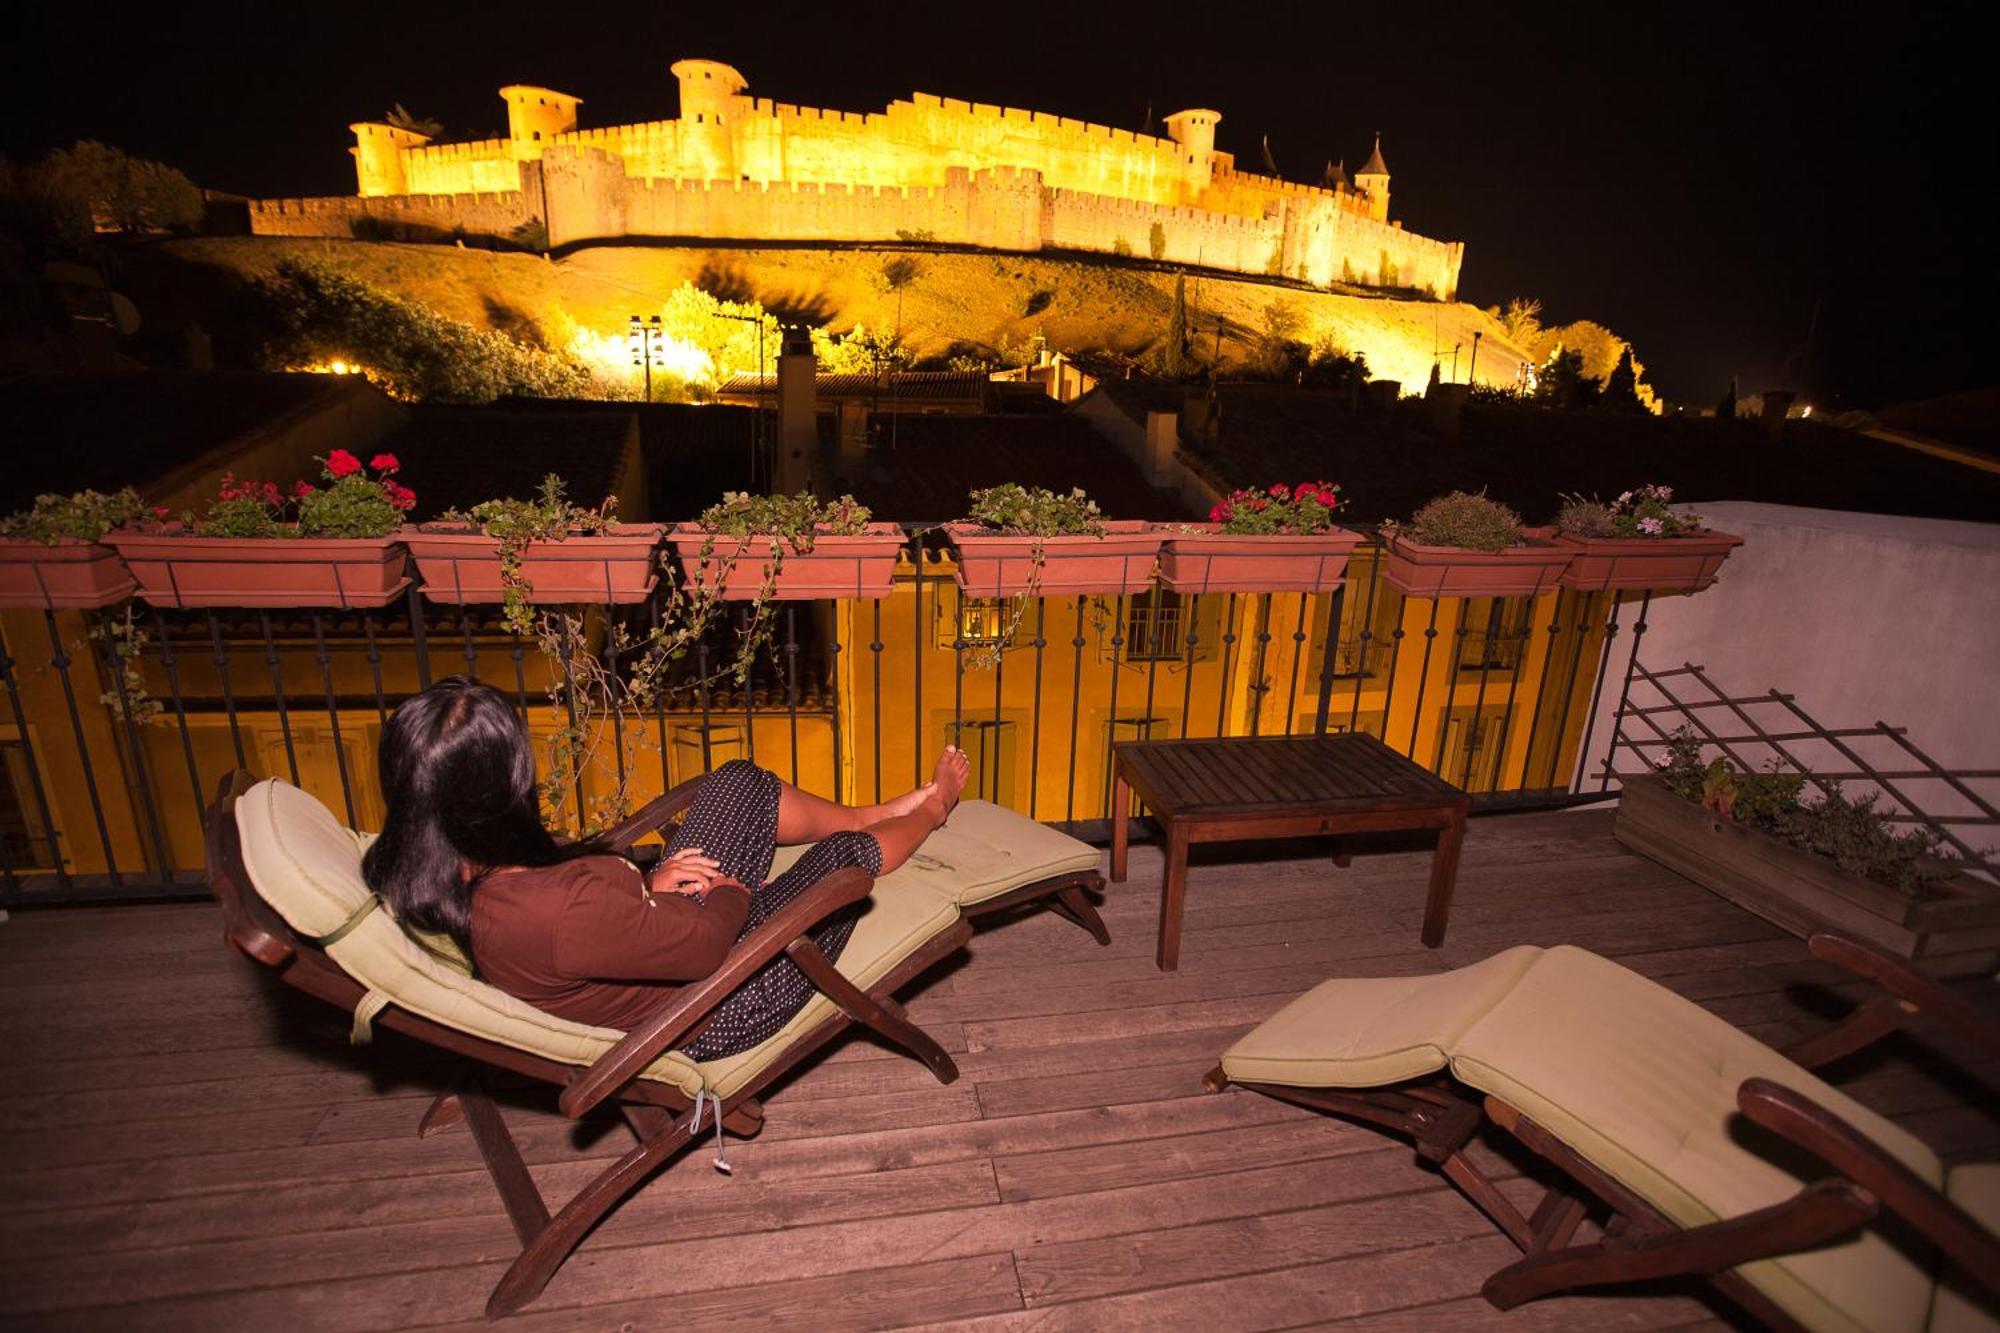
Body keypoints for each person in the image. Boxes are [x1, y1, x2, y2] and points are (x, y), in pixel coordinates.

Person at [362, 676, 969, 1060]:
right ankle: (934, 809)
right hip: (714, 1002)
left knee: (738, 783)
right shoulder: (550, 909)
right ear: (502, 786)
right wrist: (729, 893)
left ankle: (868, 813)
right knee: (839, 867)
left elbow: (589, 930)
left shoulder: (436, 867)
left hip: (648, 932)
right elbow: (704, 948)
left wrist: (645, 885)